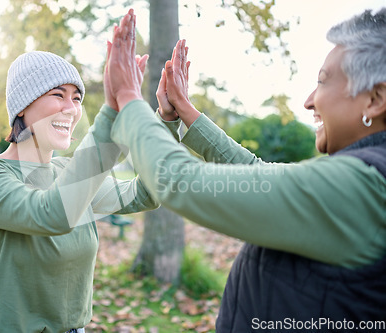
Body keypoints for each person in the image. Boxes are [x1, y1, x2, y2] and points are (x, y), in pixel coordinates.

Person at [107, 8, 386, 332]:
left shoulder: (363, 186)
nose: (309, 101)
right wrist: (184, 112)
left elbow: (184, 182)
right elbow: (257, 174)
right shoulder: (365, 177)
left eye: (323, 82)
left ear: (375, 99)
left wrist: (128, 96)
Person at [0, 14, 158, 333]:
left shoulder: (68, 172)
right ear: (22, 106)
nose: (72, 108)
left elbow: (147, 192)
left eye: (76, 98)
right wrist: (112, 110)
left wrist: (166, 120)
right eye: (58, 95)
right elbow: (51, 215)